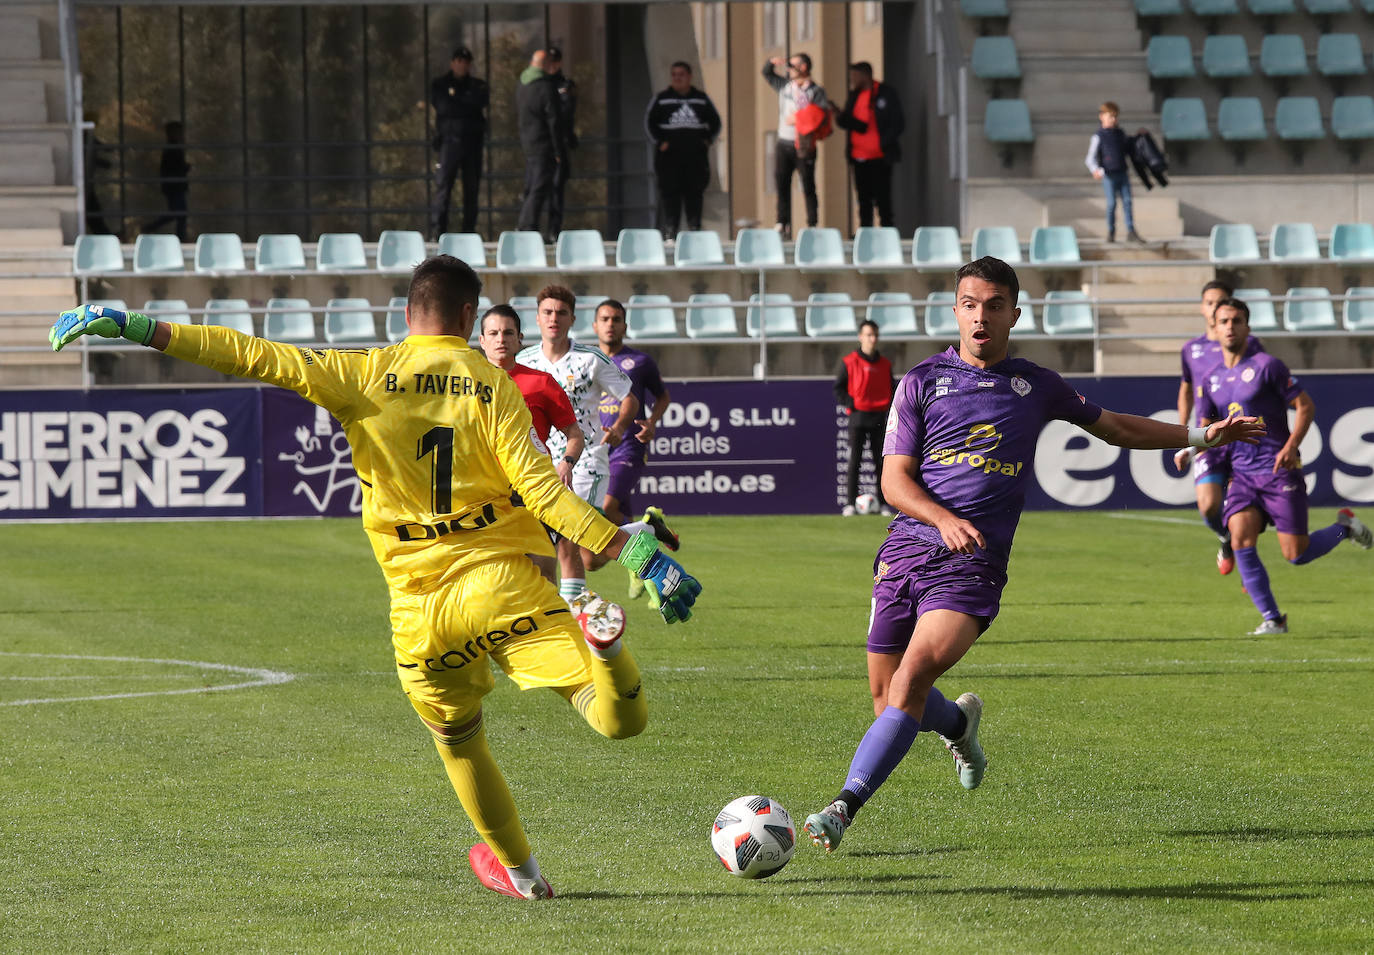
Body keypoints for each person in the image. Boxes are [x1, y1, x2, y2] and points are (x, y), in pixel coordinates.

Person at [47, 256, 702, 901]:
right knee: (617, 720)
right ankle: (608, 649)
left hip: (421, 613)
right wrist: (632, 550)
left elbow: (246, 354)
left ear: (407, 311)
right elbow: (542, 492)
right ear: (470, 317)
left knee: (459, 740)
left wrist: (133, 325)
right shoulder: (490, 381)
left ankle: (526, 877)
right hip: (503, 585)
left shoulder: (362, 372)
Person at [800, 256, 1263, 854]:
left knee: (910, 681)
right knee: (889, 697)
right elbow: (894, 483)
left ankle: (843, 807)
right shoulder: (919, 381)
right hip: (906, 551)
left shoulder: (1035, 385)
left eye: (994, 305)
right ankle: (961, 726)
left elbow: (1116, 428)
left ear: (1014, 313)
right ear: (955, 311)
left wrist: (1202, 435)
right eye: (970, 304)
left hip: (973, 563)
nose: (981, 316)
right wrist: (941, 519)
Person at [1198, 297, 1371, 635]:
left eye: (1237, 320)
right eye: (1224, 321)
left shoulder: (1268, 366)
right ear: (1214, 328)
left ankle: (1344, 528)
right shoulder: (1211, 378)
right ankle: (1274, 620)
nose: (1230, 327)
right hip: (1243, 475)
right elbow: (1208, 425)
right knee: (1240, 540)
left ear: (1248, 327)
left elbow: (1305, 406)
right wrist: (1191, 450)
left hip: (1278, 472)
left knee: (1297, 553)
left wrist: (1292, 446)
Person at [516, 286, 665, 607]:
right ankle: (643, 530)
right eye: (547, 312)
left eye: (561, 313)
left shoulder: (590, 358)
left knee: (568, 542)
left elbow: (630, 397)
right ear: (538, 317)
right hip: (539, 462)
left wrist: (620, 427)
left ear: (572, 318)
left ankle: (573, 629)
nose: (553, 318)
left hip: (585, 459)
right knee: (590, 558)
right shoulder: (523, 360)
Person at [477, 303, 583, 583]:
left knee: (542, 571)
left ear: (520, 339)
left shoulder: (541, 382)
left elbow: (574, 433)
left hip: (531, 487)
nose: (501, 339)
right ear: (481, 340)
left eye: (508, 333)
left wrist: (566, 463)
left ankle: (552, 625)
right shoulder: (466, 383)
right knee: (493, 577)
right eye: (494, 333)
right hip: (482, 490)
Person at [592, 299, 679, 597]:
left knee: (607, 508)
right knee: (620, 518)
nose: (610, 324)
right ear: (594, 325)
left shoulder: (640, 363)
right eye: (604, 318)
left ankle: (643, 546)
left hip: (629, 445)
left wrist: (652, 421)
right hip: (596, 452)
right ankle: (638, 558)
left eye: (616, 319)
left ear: (624, 326)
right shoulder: (586, 361)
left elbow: (663, 396)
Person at [1173, 279, 1260, 575]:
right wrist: (1181, 429)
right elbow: (1186, 390)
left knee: (1245, 513)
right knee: (1209, 506)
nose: (1215, 308)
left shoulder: (1248, 344)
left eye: (1221, 302)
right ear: (1203, 308)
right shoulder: (1191, 349)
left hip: (1241, 435)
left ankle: (1245, 560)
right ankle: (1226, 537)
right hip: (1210, 434)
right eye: (1210, 303)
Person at [643, 62, 721, 239]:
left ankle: (695, 230)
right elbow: (649, 123)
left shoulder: (700, 99)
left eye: (681, 74)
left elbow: (715, 122)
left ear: (689, 76)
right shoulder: (662, 99)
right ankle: (671, 232)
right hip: (669, 159)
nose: (678, 78)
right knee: (670, 195)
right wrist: (660, 142)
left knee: (694, 194)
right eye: (674, 75)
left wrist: (707, 140)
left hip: (695, 158)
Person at [833, 318, 896, 517]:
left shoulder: (885, 364)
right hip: (858, 417)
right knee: (855, 461)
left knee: (881, 462)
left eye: (875, 335)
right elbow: (839, 388)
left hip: (879, 416)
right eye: (869, 334)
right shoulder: (849, 362)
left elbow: (892, 389)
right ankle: (850, 504)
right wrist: (851, 404)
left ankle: (884, 503)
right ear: (861, 337)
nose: (872, 338)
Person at [762, 53, 828, 238]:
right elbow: (767, 74)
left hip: (804, 144)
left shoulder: (815, 91)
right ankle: (782, 222)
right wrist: (771, 62)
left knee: (807, 184)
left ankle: (812, 223)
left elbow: (821, 114)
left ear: (804, 67)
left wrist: (798, 118)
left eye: (793, 65)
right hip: (784, 142)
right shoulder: (785, 87)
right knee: (782, 183)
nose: (789, 69)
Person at [831, 62, 904, 230]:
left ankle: (887, 235)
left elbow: (898, 123)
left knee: (883, 200)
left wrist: (882, 142)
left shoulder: (885, 93)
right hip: (859, 157)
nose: (852, 79)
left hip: (880, 157)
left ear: (865, 75)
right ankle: (866, 235)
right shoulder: (854, 96)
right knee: (864, 201)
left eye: (855, 76)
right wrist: (838, 115)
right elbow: (855, 124)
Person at [429, 46, 489, 238]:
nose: (462, 66)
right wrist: (465, 104)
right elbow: (443, 106)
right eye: (459, 62)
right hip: (449, 142)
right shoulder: (439, 85)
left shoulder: (478, 86)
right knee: (443, 187)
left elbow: (479, 101)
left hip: (472, 143)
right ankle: (438, 230)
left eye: (466, 63)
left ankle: (468, 231)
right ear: (452, 63)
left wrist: (458, 102)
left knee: (471, 189)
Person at [516, 50, 566, 239]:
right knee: (540, 186)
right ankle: (526, 226)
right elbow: (554, 120)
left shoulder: (522, 83)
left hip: (528, 142)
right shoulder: (545, 87)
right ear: (545, 65)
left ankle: (527, 226)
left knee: (531, 184)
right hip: (543, 144)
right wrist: (558, 149)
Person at [1084, 102, 1143, 244]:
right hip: (1109, 175)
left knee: (1127, 202)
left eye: (1115, 117)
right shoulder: (1098, 136)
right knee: (1111, 204)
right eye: (1110, 116)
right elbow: (1089, 158)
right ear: (1102, 117)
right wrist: (1095, 170)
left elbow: (1128, 149)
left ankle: (1130, 230)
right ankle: (1111, 230)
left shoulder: (1120, 134)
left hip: (1122, 173)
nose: (1113, 120)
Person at [543, 47, 579, 237]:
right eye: (549, 61)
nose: (552, 65)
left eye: (555, 61)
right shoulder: (539, 85)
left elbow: (566, 113)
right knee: (538, 189)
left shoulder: (566, 84)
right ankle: (531, 230)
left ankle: (553, 231)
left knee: (557, 189)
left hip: (560, 144)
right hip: (542, 145)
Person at [143, 120, 189, 242]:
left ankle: (179, 237)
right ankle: (179, 238)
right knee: (178, 213)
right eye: (179, 132)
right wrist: (184, 168)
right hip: (174, 187)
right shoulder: (172, 149)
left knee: (178, 213)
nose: (181, 134)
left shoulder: (173, 148)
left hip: (175, 186)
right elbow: (172, 168)